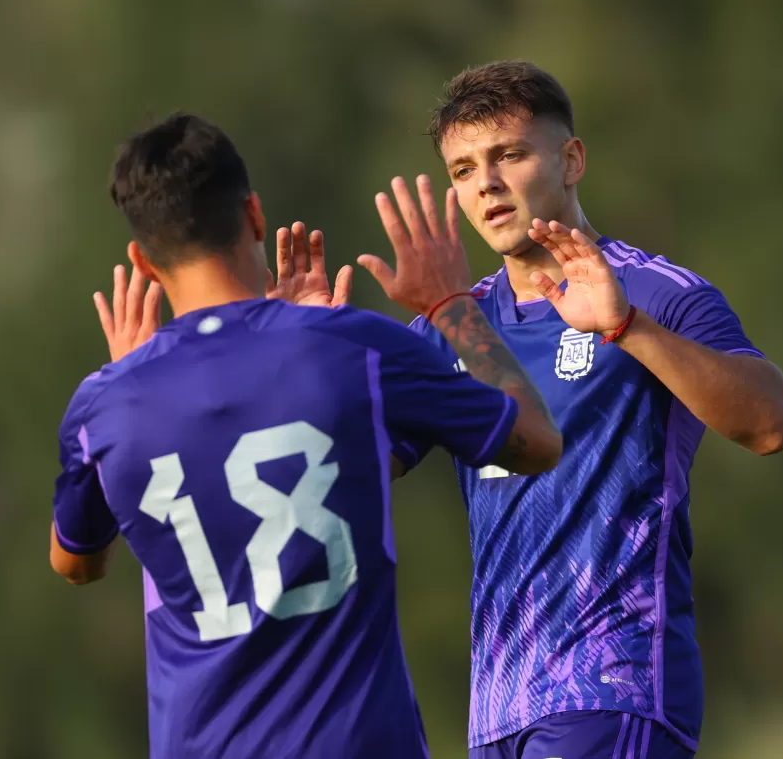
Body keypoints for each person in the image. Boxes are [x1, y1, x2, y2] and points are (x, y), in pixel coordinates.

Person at [47, 112, 562, 759]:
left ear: (143, 262)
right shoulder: (356, 351)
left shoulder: (105, 406)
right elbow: (537, 440)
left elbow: (77, 561)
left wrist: (130, 380)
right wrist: (452, 307)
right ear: (255, 215)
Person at [386, 61, 783, 758]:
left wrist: (626, 327)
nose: (485, 183)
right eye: (462, 169)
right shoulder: (458, 324)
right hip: (498, 708)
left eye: (509, 155)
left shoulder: (653, 290)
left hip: (613, 684)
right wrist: (319, 356)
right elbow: (357, 466)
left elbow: (769, 422)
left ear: (571, 159)